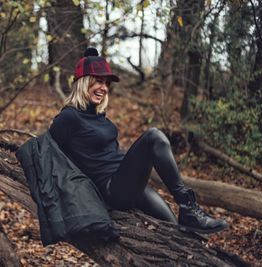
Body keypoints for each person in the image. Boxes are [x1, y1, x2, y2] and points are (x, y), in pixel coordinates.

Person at [49, 48, 228, 234]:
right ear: (83, 83)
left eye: (106, 83)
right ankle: (189, 207)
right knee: (153, 137)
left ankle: (189, 226)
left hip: (128, 183)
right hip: (112, 191)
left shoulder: (98, 115)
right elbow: (49, 153)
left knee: (177, 231)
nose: (103, 87)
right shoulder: (68, 117)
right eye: (98, 81)